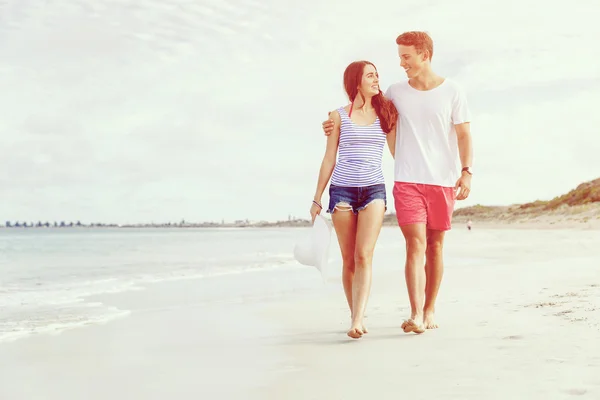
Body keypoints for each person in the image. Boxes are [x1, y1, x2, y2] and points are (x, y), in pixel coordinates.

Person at [322, 31, 473, 334]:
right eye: (400, 57)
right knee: (415, 244)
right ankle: (416, 314)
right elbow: (362, 104)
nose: (401, 63)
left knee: (436, 246)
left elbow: (464, 134)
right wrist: (332, 122)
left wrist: (466, 170)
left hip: (442, 180)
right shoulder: (394, 91)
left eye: (406, 56)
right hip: (406, 179)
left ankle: (430, 309)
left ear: (424, 55)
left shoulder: (453, 91)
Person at [310, 60, 398, 339]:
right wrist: (317, 198)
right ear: (356, 82)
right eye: (370, 75)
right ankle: (355, 316)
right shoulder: (337, 116)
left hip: (374, 190)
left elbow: (398, 151)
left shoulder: (386, 112)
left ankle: (358, 319)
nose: (376, 79)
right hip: (342, 192)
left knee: (364, 255)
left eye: (377, 75)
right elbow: (329, 159)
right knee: (349, 259)